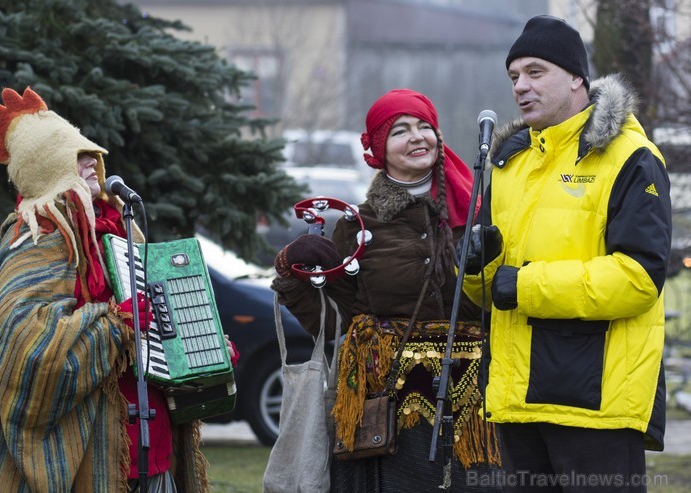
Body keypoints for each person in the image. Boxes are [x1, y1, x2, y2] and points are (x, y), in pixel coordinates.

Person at [0, 87, 236, 491]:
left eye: (90, 154)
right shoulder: (36, 243)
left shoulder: (119, 228)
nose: (92, 160)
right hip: (93, 459)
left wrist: (200, 349)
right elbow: (30, 353)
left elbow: (154, 329)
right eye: (76, 155)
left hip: (154, 450)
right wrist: (117, 323)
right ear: (48, 168)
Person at [457, 15, 672, 492]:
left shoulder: (629, 157)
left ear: (577, 77)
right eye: (514, 76)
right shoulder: (509, 165)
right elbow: (492, 290)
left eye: (536, 72)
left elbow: (638, 278)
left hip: (596, 406)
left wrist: (526, 286)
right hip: (516, 403)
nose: (520, 86)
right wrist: (472, 268)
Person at [271, 88, 502, 492]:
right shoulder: (357, 226)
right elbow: (338, 321)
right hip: (385, 411)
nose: (417, 137)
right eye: (400, 130)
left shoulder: (479, 214)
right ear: (379, 148)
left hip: (471, 404)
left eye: (424, 126)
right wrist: (293, 274)